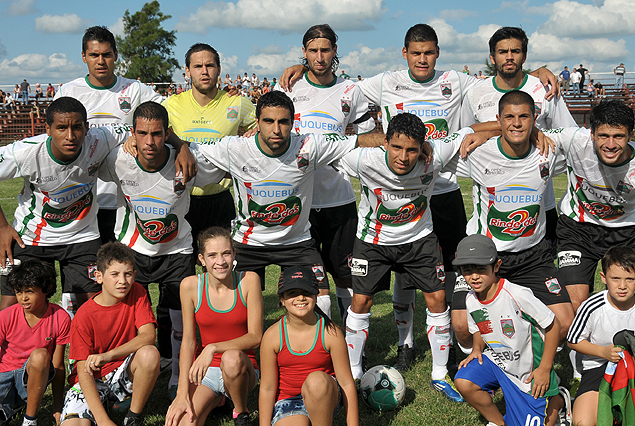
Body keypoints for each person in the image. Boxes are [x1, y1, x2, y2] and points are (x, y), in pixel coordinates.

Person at [280, 22, 558, 376]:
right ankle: (406, 342)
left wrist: (532, 74)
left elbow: (502, 86)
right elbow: (333, 90)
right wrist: (304, 68)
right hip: (398, 197)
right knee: (405, 275)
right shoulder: (383, 82)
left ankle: (468, 343)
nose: (422, 59)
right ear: (405, 53)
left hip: (443, 192)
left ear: (437, 53)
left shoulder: (456, 81)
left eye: (429, 53)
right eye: (416, 53)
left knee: (450, 276)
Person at [333, 112, 489, 401]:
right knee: (361, 301)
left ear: (423, 147)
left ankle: (440, 375)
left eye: (412, 149)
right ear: (385, 143)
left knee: (437, 298)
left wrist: (527, 133)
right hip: (373, 241)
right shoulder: (363, 160)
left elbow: (479, 128)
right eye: (397, 147)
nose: (403, 157)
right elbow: (325, 148)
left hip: (419, 239)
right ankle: (353, 374)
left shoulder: (436, 155)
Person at [195, 91, 382, 297]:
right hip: (249, 243)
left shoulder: (309, 146)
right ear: (257, 122)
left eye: (283, 122)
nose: (276, 129)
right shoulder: (236, 147)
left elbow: (359, 140)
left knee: (321, 299)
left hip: (296, 243)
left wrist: (409, 144)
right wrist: (178, 146)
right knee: (231, 301)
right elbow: (191, 151)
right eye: (268, 121)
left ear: (293, 123)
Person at [99, 101, 225, 399]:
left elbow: (229, 164)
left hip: (177, 252)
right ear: (133, 133)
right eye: (142, 134)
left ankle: (179, 379)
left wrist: (183, 146)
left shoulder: (188, 160)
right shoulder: (117, 159)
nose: (149, 142)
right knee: (126, 322)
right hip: (131, 252)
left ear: (168, 133)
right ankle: (122, 381)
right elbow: (83, 163)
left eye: (157, 134)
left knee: (182, 322)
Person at [454, 90, 574, 351]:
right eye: (509, 117)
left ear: (535, 119)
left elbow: (590, 146)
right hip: (484, 256)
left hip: (533, 257)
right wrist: (484, 132)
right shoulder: (477, 152)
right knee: (462, 326)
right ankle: (480, 362)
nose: (516, 123)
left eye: (524, 117)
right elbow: (434, 146)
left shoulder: (549, 150)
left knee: (564, 322)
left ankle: (527, 361)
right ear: (498, 119)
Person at [274, 24, 376, 320]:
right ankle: (315, 342)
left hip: (338, 199)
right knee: (306, 280)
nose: (320, 57)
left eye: (326, 50)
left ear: (335, 51)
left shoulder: (350, 90)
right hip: (298, 202)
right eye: (313, 50)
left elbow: (365, 136)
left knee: (345, 275)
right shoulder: (289, 87)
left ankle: (348, 338)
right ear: (304, 52)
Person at [0, 97, 130, 312]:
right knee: (11, 308)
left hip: (82, 236)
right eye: (61, 128)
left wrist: (180, 146)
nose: (70, 136)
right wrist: (2, 227)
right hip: (33, 237)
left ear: (87, 128)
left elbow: (141, 130)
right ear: (48, 129)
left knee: (93, 307)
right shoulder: (26, 152)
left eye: (77, 128)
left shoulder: (102, 138)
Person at [453, 234, 564, 426]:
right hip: (500, 363)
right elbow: (480, 327)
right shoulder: (471, 299)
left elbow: (553, 325)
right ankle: (498, 423)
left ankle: (558, 400)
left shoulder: (517, 294)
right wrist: (477, 349)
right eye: (467, 270)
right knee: (463, 381)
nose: (474, 276)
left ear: (496, 266)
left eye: (481, 269)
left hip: (529, 372)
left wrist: (545, 368)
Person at [163, 43, 257, 251]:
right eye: (197, 66)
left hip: (220, 201)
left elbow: (266, 121)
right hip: (180, 198)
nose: (204, 71)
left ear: (219, 70)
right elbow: (148, 128)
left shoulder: (237, 103)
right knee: (182, 270)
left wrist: (255, 131)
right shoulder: (171, 105)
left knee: (222, 272)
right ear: (187, 71)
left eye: (210, 65)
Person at [165, 227, 262, 426]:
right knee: (182, 423)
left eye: (226, 253)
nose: (220, 261)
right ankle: (219, 399)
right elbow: (188, 341)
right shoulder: (190, 286)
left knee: (231, 358)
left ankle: (241, 412)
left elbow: (255, 337)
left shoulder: (248, 280)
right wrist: (182, 393)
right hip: (206, 370)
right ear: (201, 259)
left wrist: (213, 347)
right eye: (212, 255)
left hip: (242, 369)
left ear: (234, 253)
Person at [59, 241, 159, 426]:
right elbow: (83, 371)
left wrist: (108, 356)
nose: (122, 281)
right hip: (91, 379)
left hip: (122, 372)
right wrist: (103, 421)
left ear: (134, 275)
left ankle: (132, 418)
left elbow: (148, 336)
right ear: (99, 276)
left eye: (128, 274)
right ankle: (102, 411)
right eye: (114, 274)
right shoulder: (84, 315)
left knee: (150, 353)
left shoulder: (137, 291)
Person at [259, 265, 358, 426]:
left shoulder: (331, 332)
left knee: (316, 381)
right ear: (282, 300)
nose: (300, 298)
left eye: (306, 292)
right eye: (292, 293)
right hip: (289, 402)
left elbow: (346, 383)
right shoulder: (272, 336)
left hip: (324, 394)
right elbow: (267, 388)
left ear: (316, 295)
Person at [567, 246, 635, 426]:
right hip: (598, 368)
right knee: (583, 423)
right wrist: (603, 352)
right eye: (616, 279)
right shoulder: (593, 306)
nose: (622, 286)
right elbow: (573, 341)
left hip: (633, 369)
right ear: (603, 278)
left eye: (630, 279)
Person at [0, 259, 70, 426]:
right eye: (18, 292)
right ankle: (10, 406)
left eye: (29, 291)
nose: (23, 298)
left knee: (40, 355)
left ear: (46, 289)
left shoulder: (60, 317)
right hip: (3, 375)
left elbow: (58, 365)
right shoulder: (6, 315)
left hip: (31, 377)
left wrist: (58, 405)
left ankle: (30, 420)